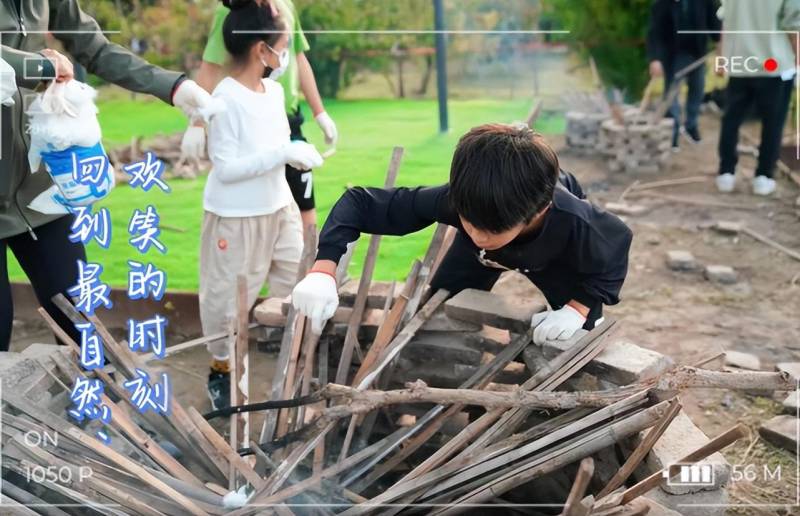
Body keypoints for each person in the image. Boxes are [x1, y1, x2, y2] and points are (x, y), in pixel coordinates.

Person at [292, 124, 633, 346]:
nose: (480, 235)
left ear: (538, 212)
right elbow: (360, 203)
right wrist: (323, 270)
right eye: (470, 223)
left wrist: (577, 308)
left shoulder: (571, 220)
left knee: (574, 331)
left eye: (493, 230)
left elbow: (617, 244)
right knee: (441, 313)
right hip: (480, 256)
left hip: (552, 254)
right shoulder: (456, 201)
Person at [0, 0, 215, 351]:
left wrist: (173, 88)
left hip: (38, 187)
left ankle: (92, 403)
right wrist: (42, 66)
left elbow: (93, 45)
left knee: (81, 322)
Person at [201, 0, 323, 410]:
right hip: (236, 218)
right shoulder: (225, 99)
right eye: (282, 46)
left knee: (298, 284)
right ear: (261, 50)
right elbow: (226, 167)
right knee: (227, 306)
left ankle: (295, 372)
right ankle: (222, 372)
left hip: (279, 210)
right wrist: (282, 154)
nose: (285, 55)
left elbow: (275, 148)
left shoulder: (272, 93)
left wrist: (296, 150)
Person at [182, 0, 336, 232]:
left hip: (287, 120)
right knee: (259, 205)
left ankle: (307, 264)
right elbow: (211, 65)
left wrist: (320, 112)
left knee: (305, 209)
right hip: (247, 120)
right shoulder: (231, 11)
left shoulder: (285, 6)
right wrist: (197, 121)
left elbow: (298, 57)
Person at [716, 0, 800, 196]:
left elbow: (725, 22)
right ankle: (763, 176)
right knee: (773, 122)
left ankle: (726, 173)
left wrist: (722, 59)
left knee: (731, 119)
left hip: (740, 61)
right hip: (774, 64)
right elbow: (794, 25)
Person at [647, 0, 721, 150]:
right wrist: (654, 59)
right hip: (673, 56)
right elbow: (654, 32)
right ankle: (672, 134)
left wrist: (720, 51)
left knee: (697, 90)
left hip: (697, 54)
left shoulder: (704, 2)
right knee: (671, 95)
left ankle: (691, 126)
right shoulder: (662, 4)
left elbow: (715, 26)